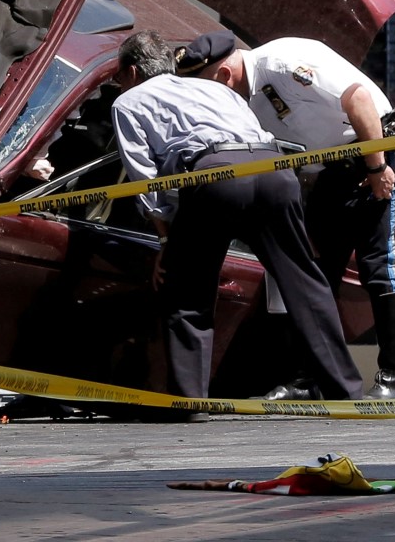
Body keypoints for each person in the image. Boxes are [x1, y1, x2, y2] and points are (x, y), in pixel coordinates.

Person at [110, 30, 364, 414]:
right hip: (273, 171)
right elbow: (259, 132)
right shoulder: (217, 90)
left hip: (215, 176)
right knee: (305, 282)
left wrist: (166, 241)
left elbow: (145, 177)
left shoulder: (128, 101)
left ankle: (190, 402)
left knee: (188, 290)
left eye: (118, 75)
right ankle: (346, 393)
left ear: (130, 71)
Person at [174, 29, 395, 400]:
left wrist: (376, 166)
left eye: (209, 88)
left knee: (381, 267)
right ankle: (308, 377)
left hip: (373, 156)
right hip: (329, 174)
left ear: (223, 75)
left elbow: (360, 98)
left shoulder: (283, 62)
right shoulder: (244, 98)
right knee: (317, 274)